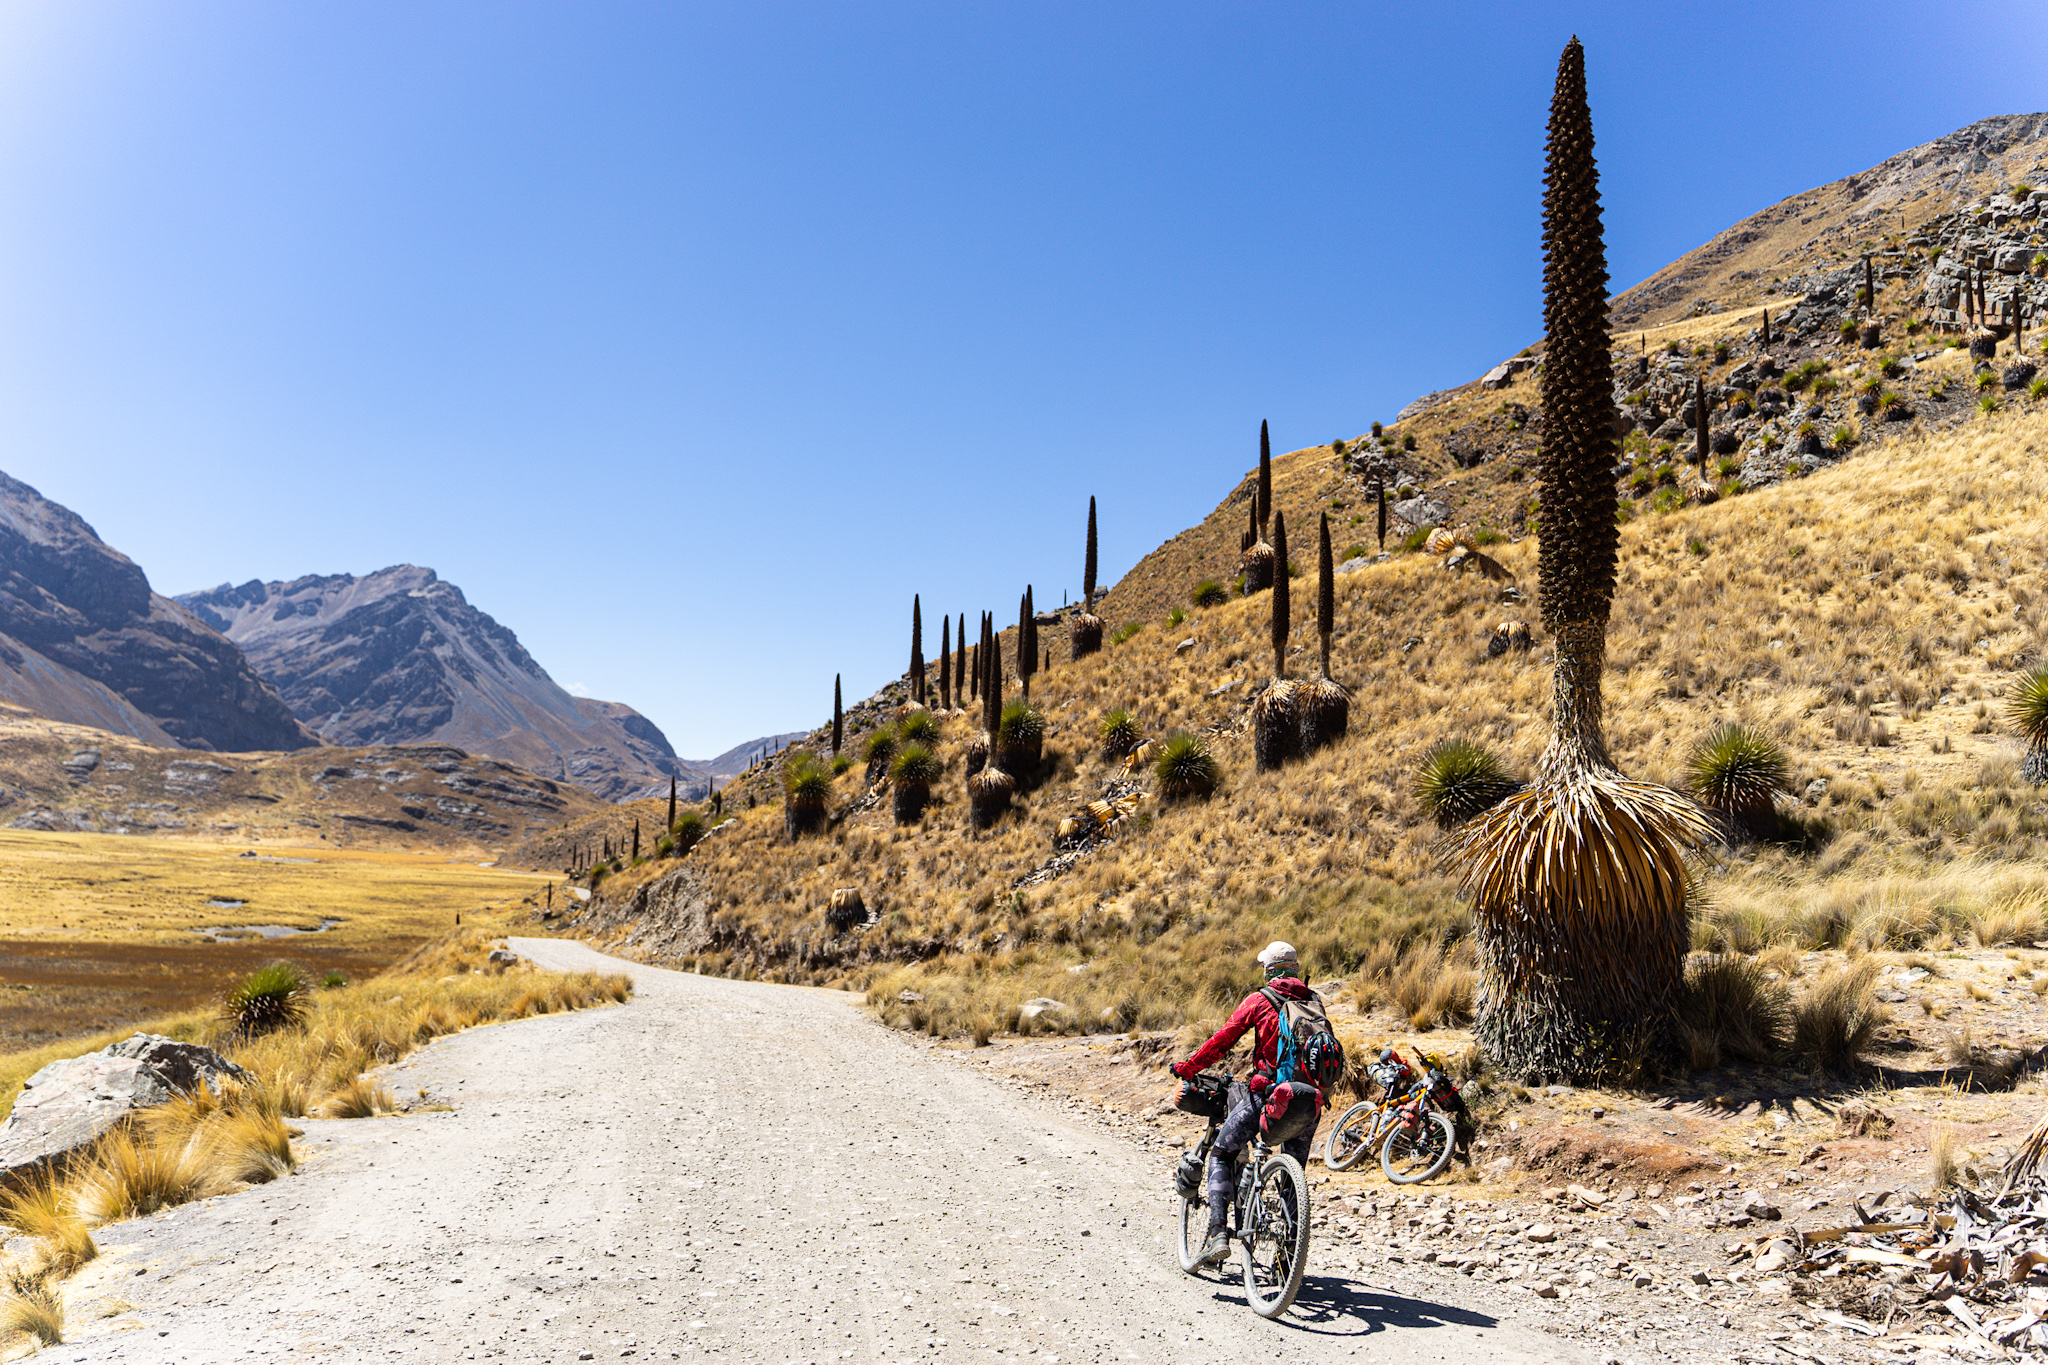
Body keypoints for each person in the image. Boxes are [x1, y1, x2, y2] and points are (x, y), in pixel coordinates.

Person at [1169, 940, 1322, 1267]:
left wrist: (1188, 1067)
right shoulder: (1314, 1001)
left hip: (1268, 1096)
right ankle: (1285, 1264)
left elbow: (1222, 1041)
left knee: (1223, 1152)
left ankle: (1218, 1234)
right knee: (1292, 1182)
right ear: (1295, 969)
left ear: (1269, 970)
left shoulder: (1260, 999)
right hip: (1309, 1101)